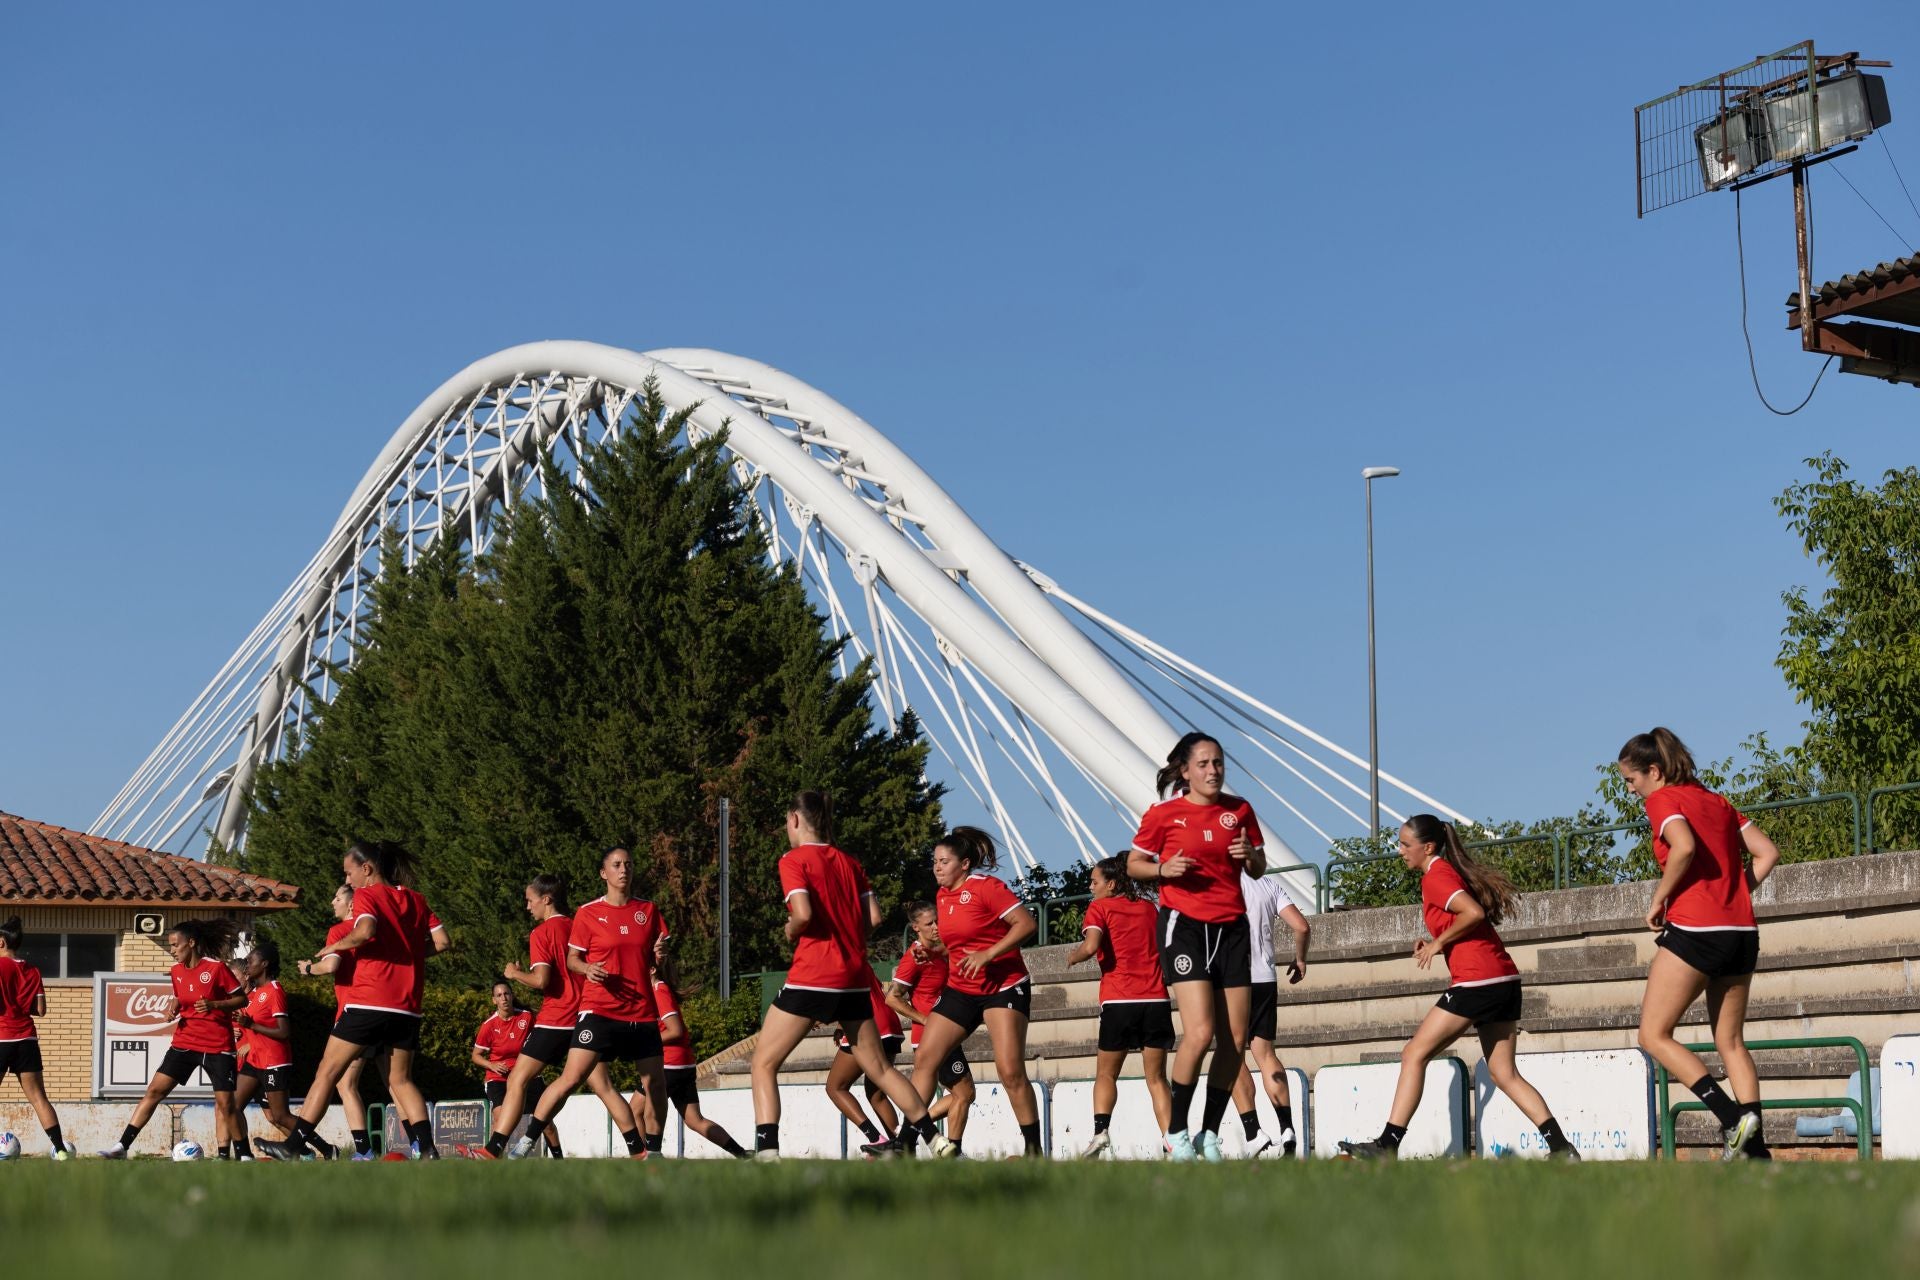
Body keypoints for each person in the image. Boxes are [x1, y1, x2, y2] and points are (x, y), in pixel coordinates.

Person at [1338, 815, 1578, 1160]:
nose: (1400, 851)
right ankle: (1561, 1148)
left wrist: (1438, 945)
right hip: (1503, 979)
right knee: (1504, 1073)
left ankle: (1387, 1146)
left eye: (1406, 844)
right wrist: (1436, 940)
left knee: (1413, 1054)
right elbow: (1465, 920)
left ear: (1428, 847)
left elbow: (1473, 913)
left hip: (1478, 981)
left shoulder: (1436, 876)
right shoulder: (1444, 873)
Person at [749, 790, 946, 1159]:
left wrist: (792, 929)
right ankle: (937, 1139)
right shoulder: (850, 863)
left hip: (813, 973)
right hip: (854, 978)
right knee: (882, 1069)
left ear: (794, 819)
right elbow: (873, 918)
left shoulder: (793, 859)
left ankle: (767, 1152)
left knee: (763, 1062)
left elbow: (803, 914)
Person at [1621, 727, 1781, 1161]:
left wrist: (1660, 897)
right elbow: (1767, 853)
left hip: (1696, 929)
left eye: (1632, 781)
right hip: (1742, 933)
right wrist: (1738, 892)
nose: (1633, 791)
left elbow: (1684, 846)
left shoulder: (1662, 800)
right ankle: (1756, 1154)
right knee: (1731, 1041)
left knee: (1653, 1035)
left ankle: (1731, 1119)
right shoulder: (1718, 801)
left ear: (1653, 771)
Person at [259, 840, 449, 1161]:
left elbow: (365, 932)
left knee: (328, 1073)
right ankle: (428, 1149)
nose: (348, 881)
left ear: (367, 868)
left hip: (369, 1000)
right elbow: (443, 942)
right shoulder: (417, 900)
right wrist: (409, 954)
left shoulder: (368, 895)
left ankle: (293, 1147)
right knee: (401, 1080)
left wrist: (335, 947)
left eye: (349, 873)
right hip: (408, 1005)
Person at [1126, 731, 1267, 1161]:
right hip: (1185, 927)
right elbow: (1135, 865)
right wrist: (1163, 869)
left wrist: (1250, 857)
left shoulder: (1239, 811)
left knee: (1236, 1040)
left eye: (1218, 763)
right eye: (1203, 764)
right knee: (1200, 1032)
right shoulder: (1164, 815)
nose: (1213, 771)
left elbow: (1259, 869)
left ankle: (1208, 1133)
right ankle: (1176, 1131)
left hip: (1232, 929)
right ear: (1185, 771)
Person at [515, 848, 667, 1161]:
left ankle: (651, 1152)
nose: (623, 869)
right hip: (599, 1011)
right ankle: (524, 1144)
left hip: (641, 1012)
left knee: (655, 1085)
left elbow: (654, 959)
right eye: (616, 865)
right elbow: (572, 960)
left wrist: (660, 959)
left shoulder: (648, 910)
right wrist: (588, 969)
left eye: (628, 864)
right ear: (603, 873)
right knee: (570, 1079)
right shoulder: (588, 913)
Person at [911, 825, 1044, 1158]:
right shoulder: (942, 897)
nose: (937, 867)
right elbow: (956, 946)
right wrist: (932, 953)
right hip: (961, 987)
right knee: (926, 1058)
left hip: (1003, 985)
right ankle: (905, 1143)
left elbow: (1027, 924)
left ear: (965, 864)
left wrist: (988, 954)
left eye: (944, 861)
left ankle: (1033, 1152)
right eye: (935, 862)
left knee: (1010, 1071)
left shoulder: (987, 888)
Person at [99, 918, 245, 1158]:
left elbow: (242, 999)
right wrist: (172, 1007)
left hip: (217, 1045)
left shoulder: (216, 968)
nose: (172, 950)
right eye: (171, 946)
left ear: (192, 943)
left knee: (226, 1104)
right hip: (185, 1042)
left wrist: (215, 1004)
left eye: (175, 945)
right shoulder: (176, 972)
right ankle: (122, 1146)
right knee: (154, 1091)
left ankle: (242, 1154)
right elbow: (180, 996)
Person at [1066, 855, 1173, 1159]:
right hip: (1155, 1000)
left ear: (1111, 884)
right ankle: (1171, 1140)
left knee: (1106, 1075)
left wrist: (1073, 957)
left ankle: (1101, 1132)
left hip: (1119, 1000)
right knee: (1156, 1078)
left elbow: (1091, 946)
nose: (1090, 887)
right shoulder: (1149, 908)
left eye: (1095, 881)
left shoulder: (1099, 908)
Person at [1230, 866, 1311, 1157]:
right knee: (1265, 1054)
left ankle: (1253, 1132)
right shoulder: (1267, 885)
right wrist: (1300, 959)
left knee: (1232, 1054)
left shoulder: (1216, 885)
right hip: (1265, 978)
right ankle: (1287, 1127)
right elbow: (1302, 927)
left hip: (1232, 980)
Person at [295, 883, 377, 1159]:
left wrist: (308, 968)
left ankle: (363, 1150)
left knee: (333, 1078)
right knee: (390, 1082)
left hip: (354, 1016)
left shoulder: (341, 931)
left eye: (337, 897)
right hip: (383, 1009)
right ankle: (417, 1145)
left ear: (352, 905)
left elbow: (330, 966)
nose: (332, 901)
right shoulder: (375, 933)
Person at [887, 903, 974, 1154]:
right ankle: (950, 1151)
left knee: (963, 1094)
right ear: (915, 928)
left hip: (946, 1033)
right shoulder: (913, 958)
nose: (936, 927)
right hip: (931, 1037)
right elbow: (892, 998)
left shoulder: (940, 950)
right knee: (964, 1093)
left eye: (937, 921)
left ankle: (907, 1137)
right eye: (929, 924)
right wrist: (926, 1020)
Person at [643, 967, 749, 1157]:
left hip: (669, 1064)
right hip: (682, 1064)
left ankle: (646, 1158)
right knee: (695, 1120)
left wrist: (646, 1041)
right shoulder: (656, 990)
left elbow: (675, 1030)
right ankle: (742, 1154)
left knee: (635, 1109)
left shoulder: (659, 990)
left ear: (651, 969)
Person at [0, 916, 72, 1159]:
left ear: (1, 942)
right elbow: (40, 1010)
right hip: (27, 1040)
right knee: (39, 1099)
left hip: (2, 1038)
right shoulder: (32, 970)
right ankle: (60, 1150)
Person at [825, 967, 905, 1155]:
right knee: (876, 1094)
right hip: (889, 1024)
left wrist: (818, 1018)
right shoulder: (856, 957)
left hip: (868, 1024)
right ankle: (900, 1146)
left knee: (836, 1087)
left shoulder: (832, 959)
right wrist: (839, 1024)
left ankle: (875, 1138)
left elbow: (838, 995)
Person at [233, 939, 300, 1160]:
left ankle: (327, 1149)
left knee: (279, 1116)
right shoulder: (255, 994)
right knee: (231, 1106)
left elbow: (283, 1032)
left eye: (250, 960)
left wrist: (250, 1025)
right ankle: (244, 1156)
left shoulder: (274, 990)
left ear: (264, 964)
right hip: (255, 1061)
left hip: (274, 1060)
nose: (247, 964)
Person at [472, 978, 534, 1116]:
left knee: (545, 1121)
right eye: (499, 995)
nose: (504, 998)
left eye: (506, 994)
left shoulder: (527, 1017)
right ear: (494, 1000)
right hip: (498, 1078)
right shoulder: (488, 1026)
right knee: (500, 1117)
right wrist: (492, 1065)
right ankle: (497, 1138)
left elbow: (539, 1042)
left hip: (525, 1074)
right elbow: (475, 1055)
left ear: (512, 996)